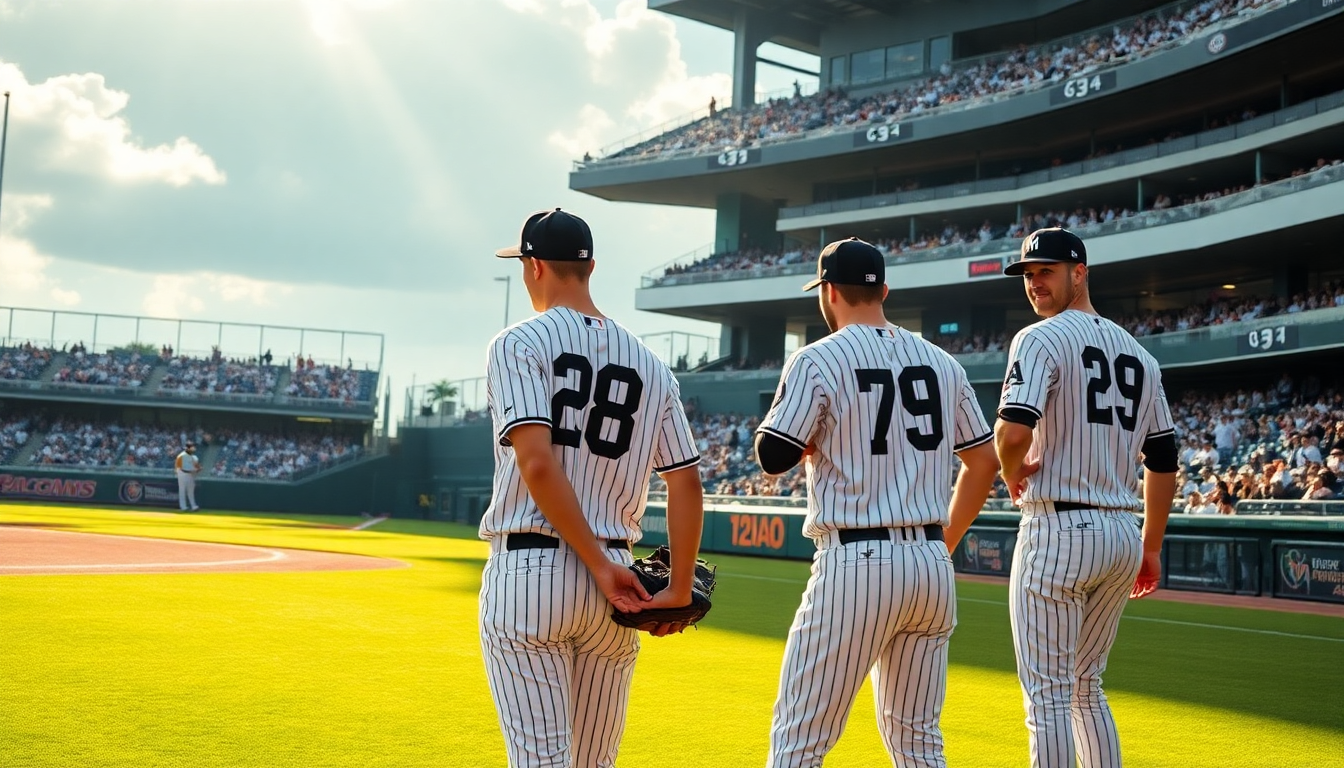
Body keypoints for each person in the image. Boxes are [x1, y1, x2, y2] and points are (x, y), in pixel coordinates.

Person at [754, 237, 999, 767]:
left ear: (829, 292)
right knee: (918, 744)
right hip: (932, 566)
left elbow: (772, 456)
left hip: (857, 563)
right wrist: (944, 542)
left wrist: (813, 434)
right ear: (883, 290)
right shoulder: (943, 363)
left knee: (799, 737)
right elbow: (984, 462)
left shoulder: (817, 358)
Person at [479, 208, 706, 768]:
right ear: (590, 267)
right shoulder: (652, 365)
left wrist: (598, 567)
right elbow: (685, 480)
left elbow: (536, 464)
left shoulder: (518, 343)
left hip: (534, 575)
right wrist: (675, 588)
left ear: (533, 267)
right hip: (619, 586)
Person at [994, 228, 1178, 768]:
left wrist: (1009, 471)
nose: (1035, 284)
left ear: (1081, 272)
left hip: (1057, 530)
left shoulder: (1039, 338)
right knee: (1084, 685)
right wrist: (1151, 545)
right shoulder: (1141, 356)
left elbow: (1010, 434)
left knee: (1048, 694)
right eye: (1028, 275)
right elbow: (1164, 459)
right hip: (1121, 534)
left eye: (1046, 271)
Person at [174, 441, 202, 511]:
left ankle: (193, 506)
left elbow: (197, 466)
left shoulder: (193, 456)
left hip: (190, 474)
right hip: (182, 473)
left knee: (191, 491)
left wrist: (198, 468)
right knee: (182, 490)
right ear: (188, 448)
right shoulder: (181, 456)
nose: (194, 448)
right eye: (192, 447)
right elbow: (179, 467)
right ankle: (183, 507)